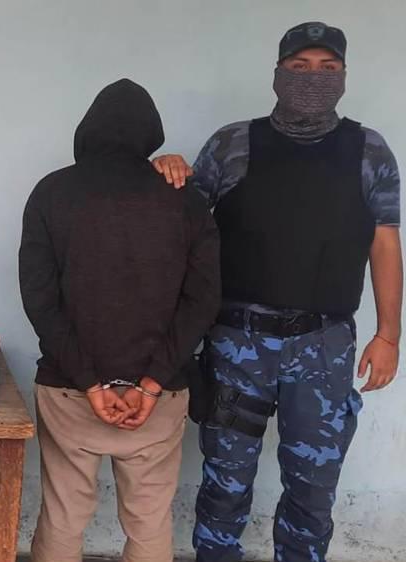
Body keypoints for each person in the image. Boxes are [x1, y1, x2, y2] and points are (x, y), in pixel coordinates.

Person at [152, 21, 402, 562]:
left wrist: (389, 335)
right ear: (278, 73)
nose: (314, 78)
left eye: (328, 68)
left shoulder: (369, 150)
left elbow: (384, 243)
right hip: (237, 342)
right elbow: (182, 223)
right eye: (300, 66)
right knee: (225, 481)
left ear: (344, 75)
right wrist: (165, 169)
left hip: (324, 345)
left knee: (313, 489)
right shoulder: (232, 143)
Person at [19, 78, 221, 562]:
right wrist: (150, 385)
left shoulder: (52, 193)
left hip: (70, 391)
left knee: (63, 516)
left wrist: (91, 384)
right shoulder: (185, 200)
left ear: (86, 130)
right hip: (159, 396)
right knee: (150, 521)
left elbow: (40, 300)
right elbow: (203, 301)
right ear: (150, 134)